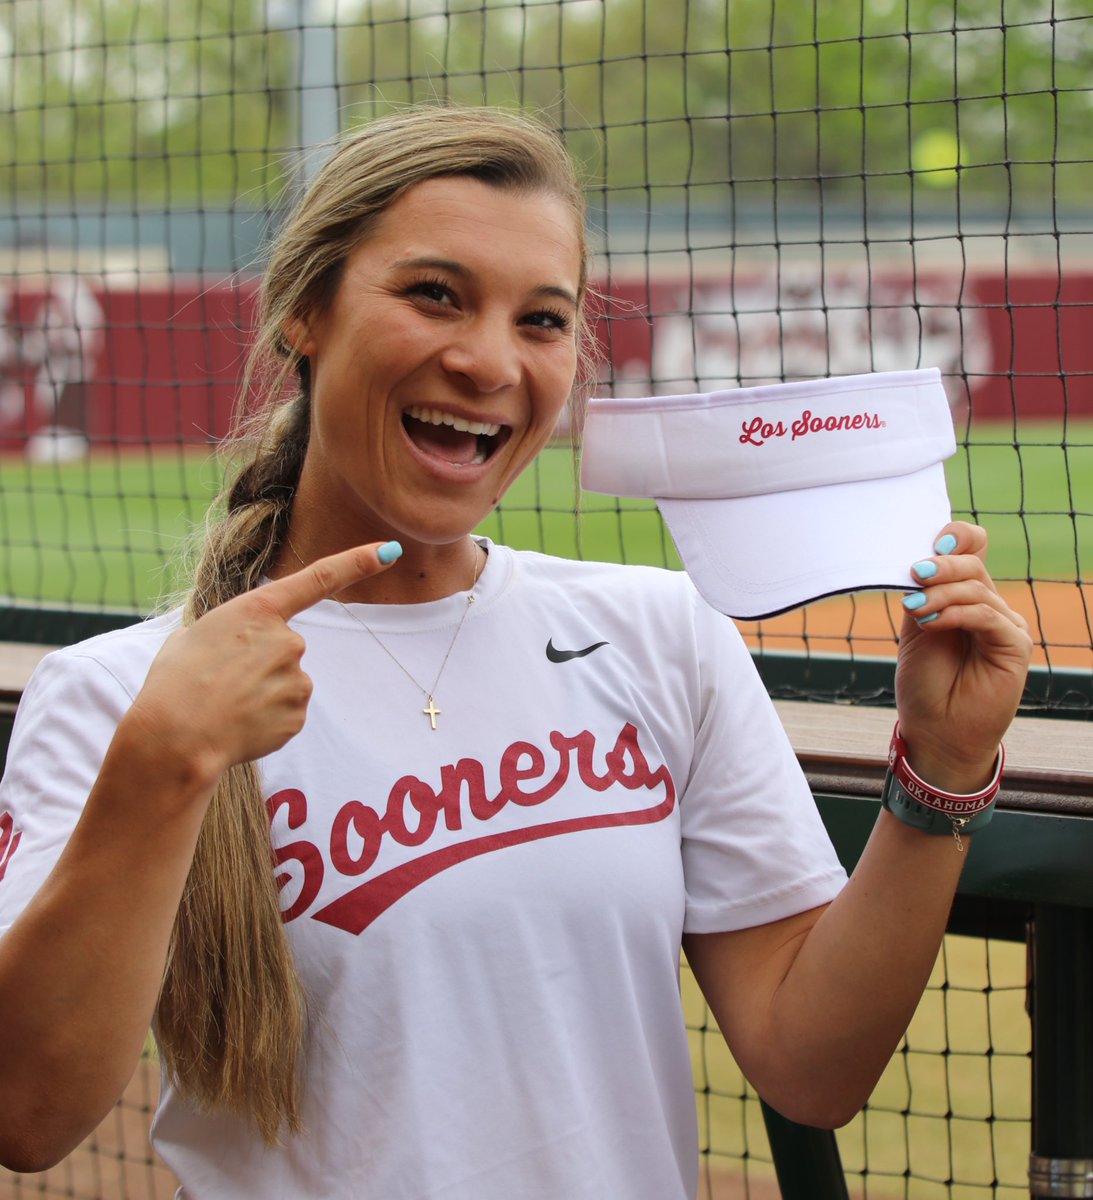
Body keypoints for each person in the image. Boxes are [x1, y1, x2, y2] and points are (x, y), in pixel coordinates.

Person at [0, 106, 1031, 1200]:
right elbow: (27, 1114)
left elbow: (812, 1064)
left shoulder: (660, 633)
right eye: (433, 294)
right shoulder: (125, 694)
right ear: (307, 312)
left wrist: (942, 766)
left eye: (540, 320)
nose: (488, 360)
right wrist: (165, 766)